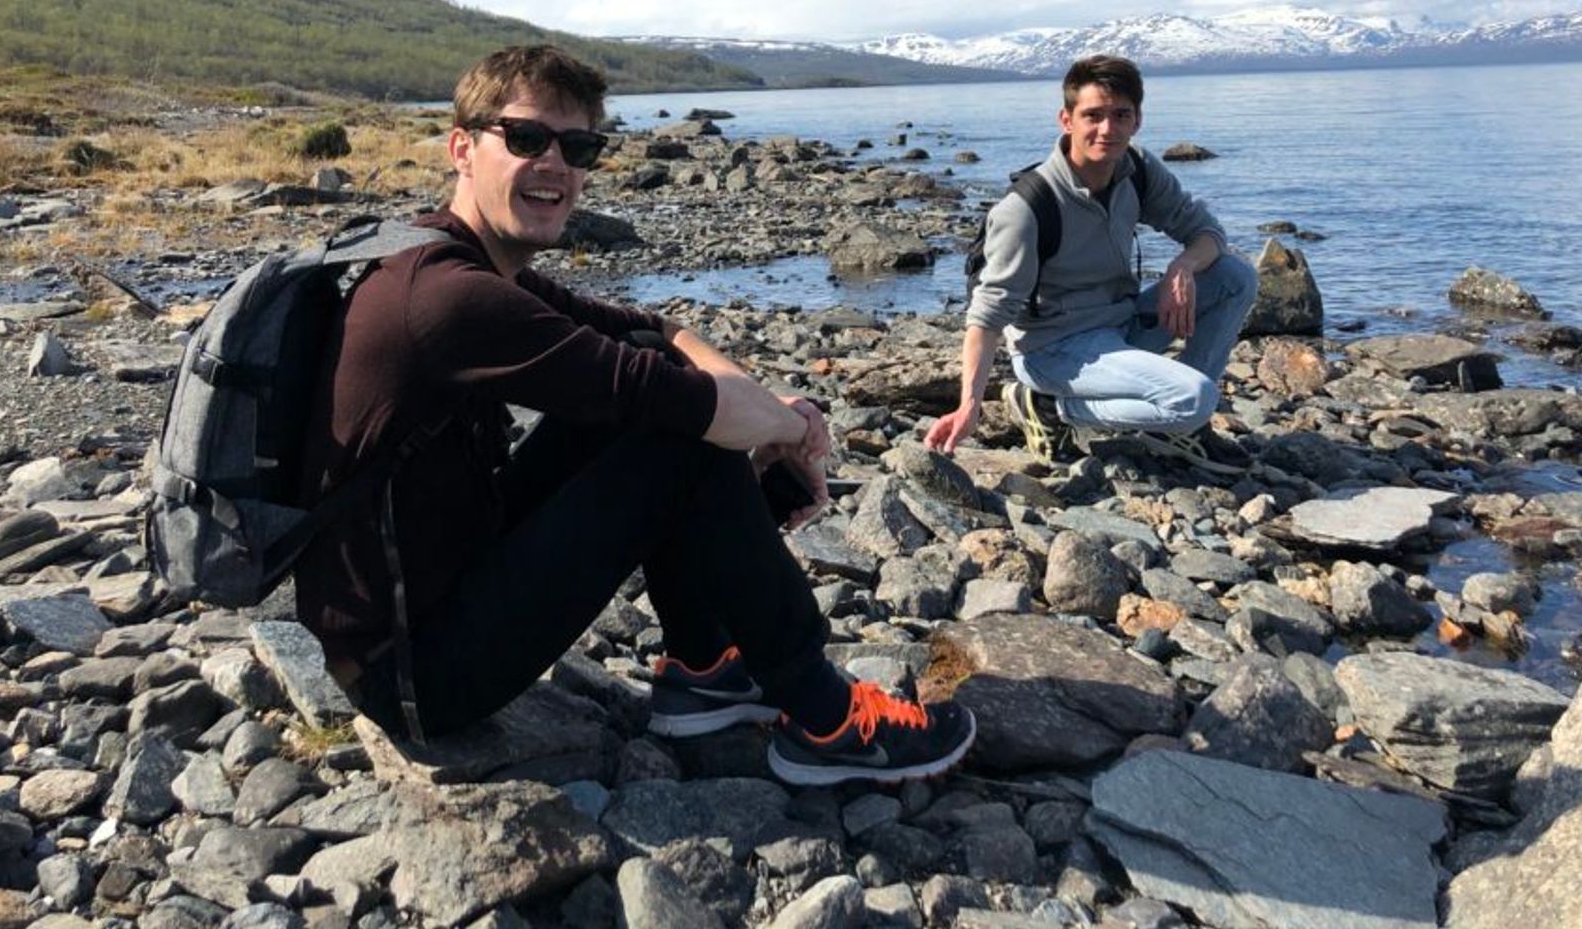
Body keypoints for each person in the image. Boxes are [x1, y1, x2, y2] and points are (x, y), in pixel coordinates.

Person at [296, 44, 973, 787]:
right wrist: (789, 432)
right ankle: (826, 718)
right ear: (462, 147)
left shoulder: (454, 259)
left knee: (661, 379)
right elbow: (689, 407)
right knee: (679, 436)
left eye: (578, 145)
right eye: (526, 139)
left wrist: (777, 413)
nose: (555, 164)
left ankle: (706, 665)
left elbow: (653, 331)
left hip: (433, 594)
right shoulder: (448, 299)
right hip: (420, 675)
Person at [926, 54, 1258, 467]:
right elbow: (988, 315)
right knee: (1195, 396)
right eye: (1093, 115)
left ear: (1137, 120)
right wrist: (969, 404)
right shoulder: (1029, 207)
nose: (1107, 129)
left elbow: (1207, 232)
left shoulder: (1136, 169)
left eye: (1120, 115)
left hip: (1121, 321)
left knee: (1234, 275)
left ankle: (1186, 429)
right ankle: (1051, 407)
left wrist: (1183, 266)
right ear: (1066, 120)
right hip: (1056, 348)